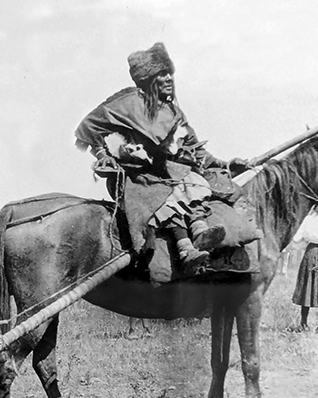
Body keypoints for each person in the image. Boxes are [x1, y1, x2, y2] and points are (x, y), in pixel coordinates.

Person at [74, 42, 260, 272]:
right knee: (167, 192)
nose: (169, 79)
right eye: (162, 74)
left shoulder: (173, 112)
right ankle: (185, 249)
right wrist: (103, 154)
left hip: (171, 173)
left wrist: (227, 163)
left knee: (195, 180)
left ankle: (201, 232)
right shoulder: (126, 103)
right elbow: (86, 129)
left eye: (170, 73)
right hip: (137, 177)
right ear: (149, 79)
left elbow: (195, 148)